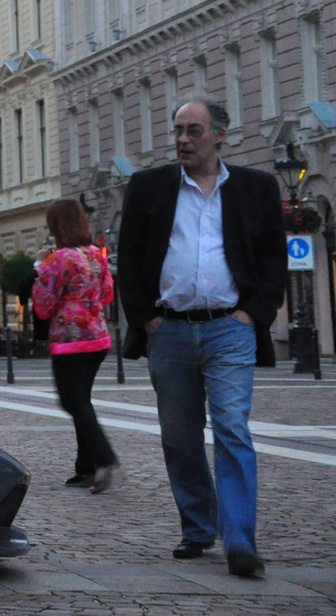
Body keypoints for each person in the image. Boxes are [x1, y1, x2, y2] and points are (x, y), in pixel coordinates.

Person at [117, 98, 287, 579]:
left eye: (193, 131)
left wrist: (250, 315)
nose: (182, 140)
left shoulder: (255, 188)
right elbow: (128, 258)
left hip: (229, 329)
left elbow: (273, 259)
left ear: (220, 136)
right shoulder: (150, 187)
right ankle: (197, 527)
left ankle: (240, 541)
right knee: (179, 435)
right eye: (178, 130)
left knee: (232, 426)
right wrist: (145, 319)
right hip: (168, 328)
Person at [34, 197, 121, 493]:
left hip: (70, 340)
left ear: (56, 226)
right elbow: (108, 293)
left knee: (72, 401)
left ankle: (105, 458)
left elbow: (43, 304)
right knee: (82, 400)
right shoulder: (97, 254)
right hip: (97, 337)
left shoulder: (60, 259)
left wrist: (41, 264)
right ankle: (85, 467)